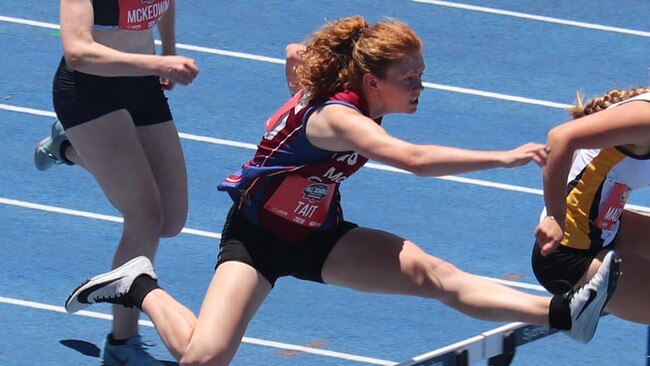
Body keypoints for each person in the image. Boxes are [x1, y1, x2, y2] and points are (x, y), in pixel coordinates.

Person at [64, 16, 620, 366]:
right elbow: (414, 160)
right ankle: (140, 286)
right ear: (371, 81)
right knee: (202, 358)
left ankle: (564, 314)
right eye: (410, 79)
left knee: (436, 277)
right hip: (257, 240)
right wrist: (501, 156)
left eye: (421, 76)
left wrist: (306, 63)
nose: (421, 88)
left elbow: (291, 51)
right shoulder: (339, 119)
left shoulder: (339, 92)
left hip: (322, 234)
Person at [34, 0, 199, 364]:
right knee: (145, 218)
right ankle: (122, 344)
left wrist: (168, 49)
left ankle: (68, 148)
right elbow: (77, 53)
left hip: (142, 85)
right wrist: (158, 63)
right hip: (89, 92)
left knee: (171, 220)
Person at [533, 87, 650, 325]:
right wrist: (555, 217)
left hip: (607, 228)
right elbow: (560, 138)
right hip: (566, 254)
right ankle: (574, 309)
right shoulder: (645, 119)